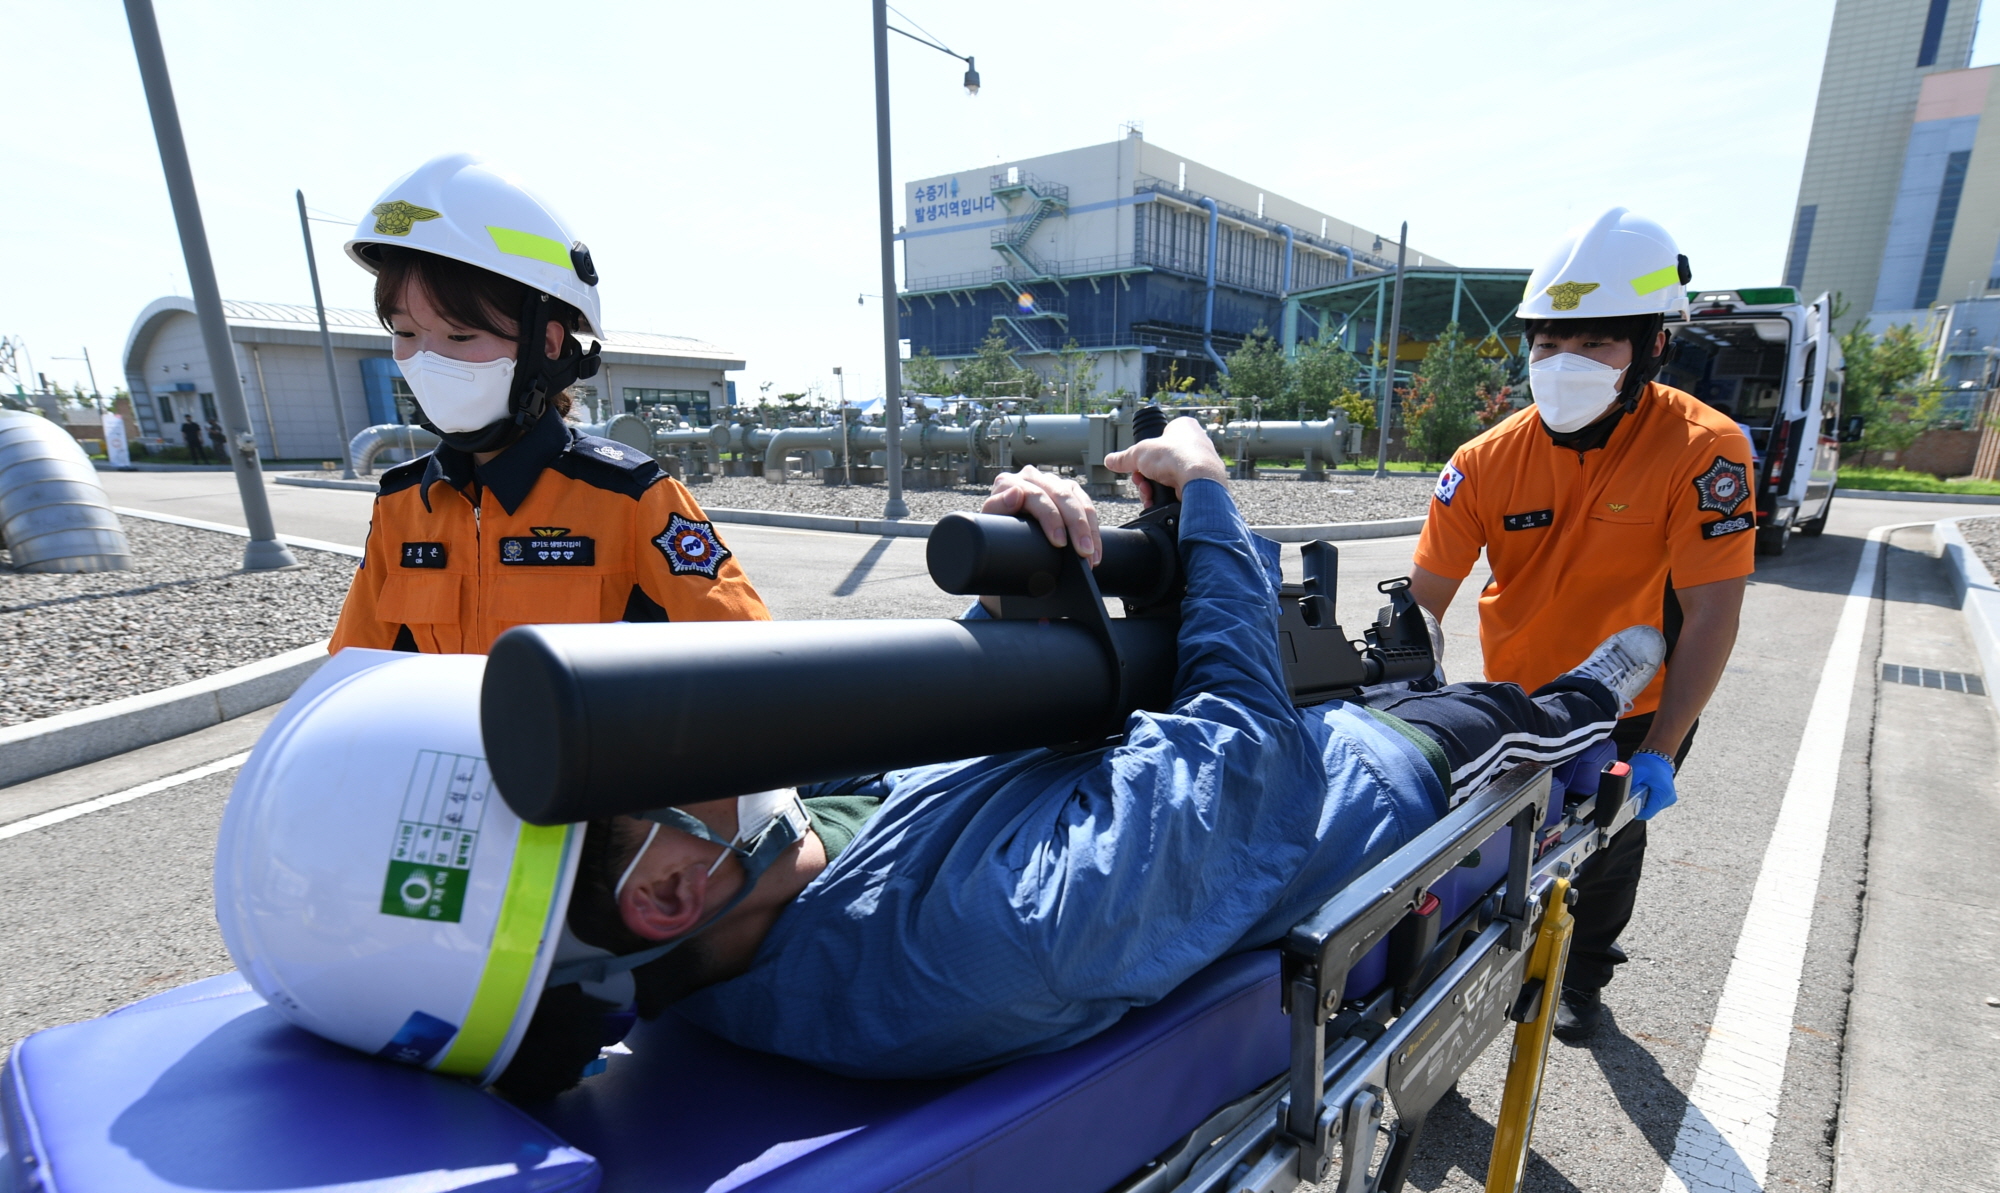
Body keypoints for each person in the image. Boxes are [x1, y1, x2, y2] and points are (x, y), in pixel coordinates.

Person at [217, 418, 1666, 1098]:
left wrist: (1029, 589)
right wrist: (1211, 498)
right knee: (1524, 713)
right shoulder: (970, 946)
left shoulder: (748, 877)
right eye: (655, 749)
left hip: (1141, 748)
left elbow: (954, 770)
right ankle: (1609, 690)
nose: (703, 724)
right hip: (1364, 773)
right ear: (661, 890)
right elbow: (1249, 771)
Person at [1405, 206, 1754, 1041]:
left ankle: (1583, 975)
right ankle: (1445, 1010)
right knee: (1480, 859)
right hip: (1514, 710)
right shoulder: (1484, 461)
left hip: (1634, 711)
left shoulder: (1705, 451)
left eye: (1596, 344)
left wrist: (1664, 745)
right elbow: (1421, 603)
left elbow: (1713, 609)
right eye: (1548, 343)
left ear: (1652, 345)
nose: (1565, 364)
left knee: (1603, 858)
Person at [327, 153, 766, 655]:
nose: (426, 359)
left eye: (460, 334)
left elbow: (748, 665)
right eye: (405, 332)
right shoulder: (401, 504)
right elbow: (354, 668)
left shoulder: (630, 500)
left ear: (548, 344)